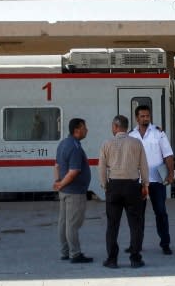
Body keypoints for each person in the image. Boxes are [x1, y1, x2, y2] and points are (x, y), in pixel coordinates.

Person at [99, 115, 150, 268]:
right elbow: (144, 166)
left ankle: (112, 259)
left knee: (112, 225)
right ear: (126, 127)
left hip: (114, 185)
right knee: (135, 224)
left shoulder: (106, 144)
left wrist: (105, 185)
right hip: (132, 186)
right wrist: (145, 185)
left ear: (115, 126)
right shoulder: (136, 143)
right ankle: (135, 258)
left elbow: (101, 168)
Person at [129, 105, 175, 255]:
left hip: (156, 181)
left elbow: (168, 154)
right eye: (142, 116)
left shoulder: (158, 133)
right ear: (137, 118)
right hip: (138, 181)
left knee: (161, 212)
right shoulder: (131, 135)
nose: (145, 119)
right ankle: (136, 245)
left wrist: (169, 174)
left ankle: (165, 244)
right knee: (137, 215)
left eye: (147, 116)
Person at [53, 118, 93, 263]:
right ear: (77, 129)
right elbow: (74, 171)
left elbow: (56, 165)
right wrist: (61, 183)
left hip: (64, 191)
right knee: (73, 224)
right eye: (84, 127)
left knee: (63, 222)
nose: (86, 130)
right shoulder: (75, 147)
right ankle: (75, 254)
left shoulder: (63, 143)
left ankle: (65, 251)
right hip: (74, 192)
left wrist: (58, 182)